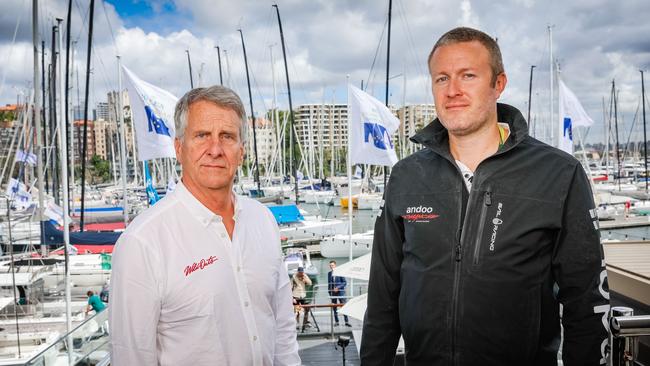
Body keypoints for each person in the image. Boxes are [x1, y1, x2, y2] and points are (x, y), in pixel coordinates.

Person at [361, 27, 610, 366]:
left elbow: (586, 303)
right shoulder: (407, 176)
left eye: (468, 75)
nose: (453, 91)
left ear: (498, 84)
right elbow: (382, 299)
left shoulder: (559, 174)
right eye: (441, 79)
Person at [109, 86, 300, 366]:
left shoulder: (263, 221)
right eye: (201, 136)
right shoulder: (143, 242)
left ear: (241, 152)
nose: (215, 150)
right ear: (178, 148)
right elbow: (131, 357)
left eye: (227, 137)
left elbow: (282, 329)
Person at [327, 260, 350, 327]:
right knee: (334, 307)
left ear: (335, 265)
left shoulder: (340, 272)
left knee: (344, 306)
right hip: (333, 293)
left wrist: (338, 287)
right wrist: (329, 292)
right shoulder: (329, 273)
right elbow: (329, 283)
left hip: (340, 292)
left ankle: (346, 321)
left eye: (332, 265)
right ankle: (337, 322)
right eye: (330, 265)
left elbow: (344, 282)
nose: (331, 266)